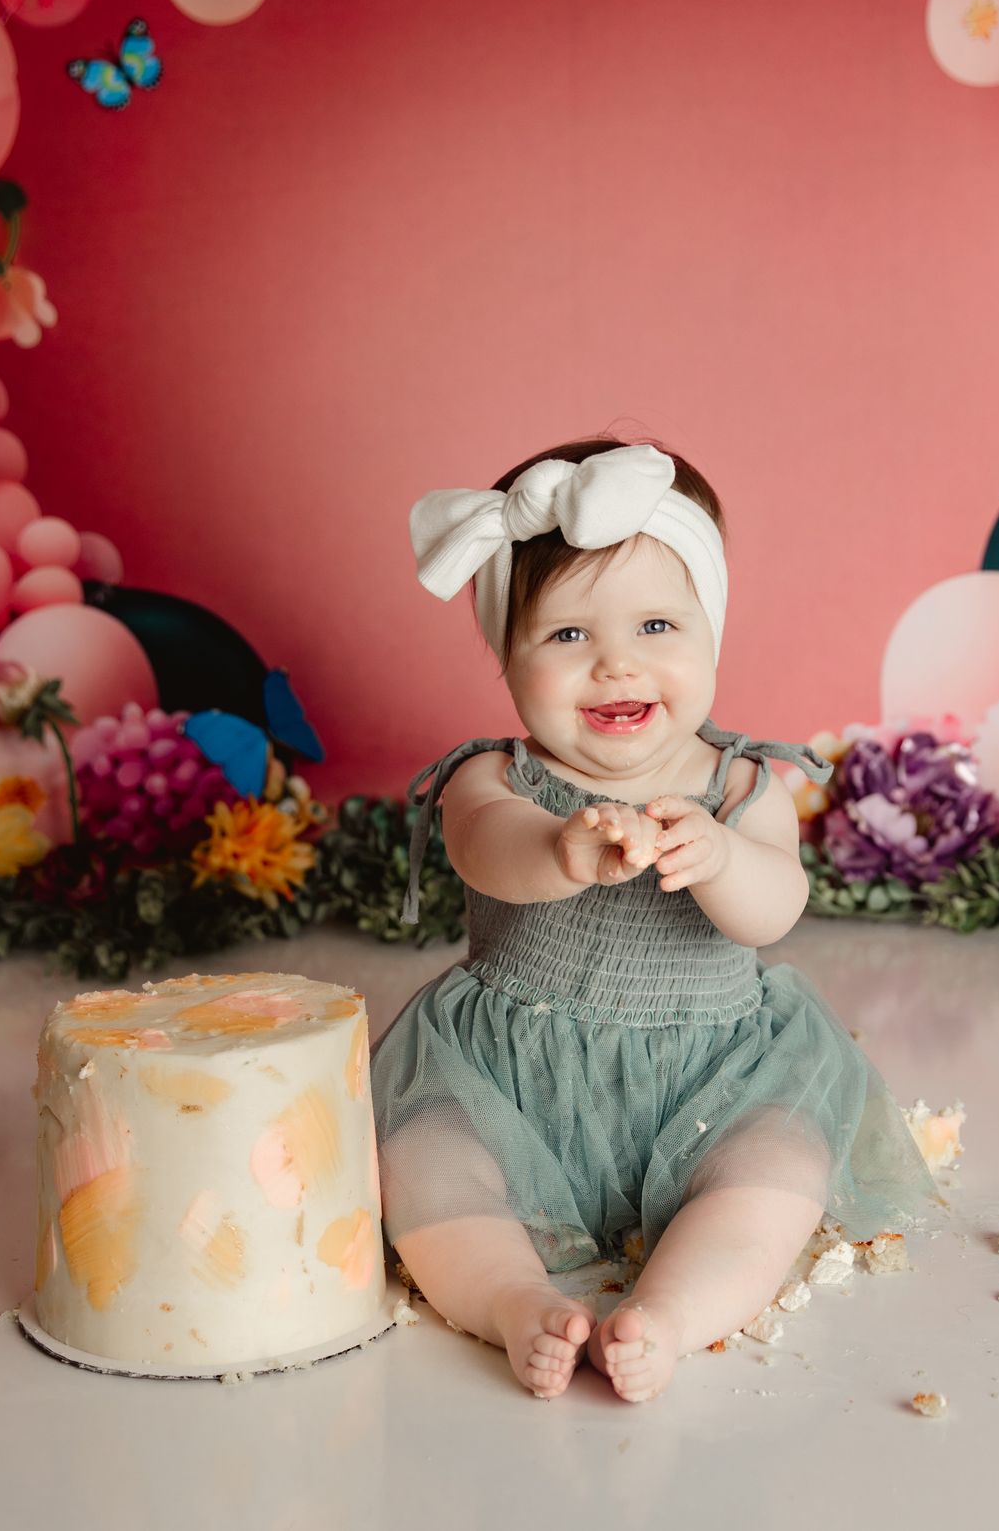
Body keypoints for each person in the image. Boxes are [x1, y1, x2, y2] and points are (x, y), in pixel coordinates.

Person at [370, 437, 937, 1403]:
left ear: (713, 632)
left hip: (717, 1075)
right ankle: (511, 1298)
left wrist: (721, 858)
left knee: (782, 1163)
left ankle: (670, 1313)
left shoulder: (745, 784)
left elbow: (776, 907)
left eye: (659, 624)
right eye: (566, 637)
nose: (616, 664)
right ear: (506, 656)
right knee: (417, 1157)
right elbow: (482, 846)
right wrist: (558, 850)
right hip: (508, 1079)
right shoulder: (494, 781)